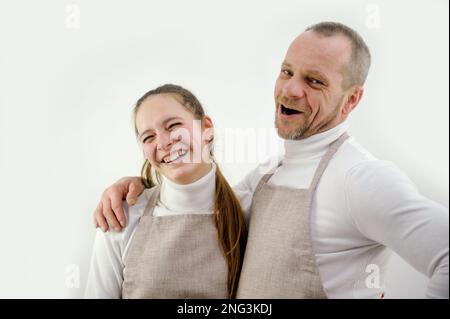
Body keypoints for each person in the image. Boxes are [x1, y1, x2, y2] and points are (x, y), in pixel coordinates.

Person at [93, 22, 449, 298]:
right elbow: (198, 203)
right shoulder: (266, 176)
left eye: (314, 80)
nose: (291, 89)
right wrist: (137, 185)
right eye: (287, 71)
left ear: (351, 100)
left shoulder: (360, 179)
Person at [85, 84, 247, 298]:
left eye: (173, 126)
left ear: (206, 128)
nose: (163, 142)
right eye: (148, 137)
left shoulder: (250, 210)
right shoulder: (122, 217)